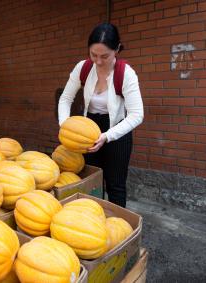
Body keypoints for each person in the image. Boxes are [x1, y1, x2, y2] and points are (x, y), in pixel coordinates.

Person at [58, 23, 144, 207]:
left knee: (116, 185)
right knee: (92, 182)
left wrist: (107, 136)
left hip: (117, 130)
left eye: (104, 56)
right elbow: (65, 99)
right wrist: (66, 126)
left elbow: (137, 114)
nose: (98, 61)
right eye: (93, 55)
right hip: (87, 130)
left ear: (117, 49)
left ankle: (118, 227)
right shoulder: (83, 68)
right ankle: (93, 221)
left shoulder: (126, 74)